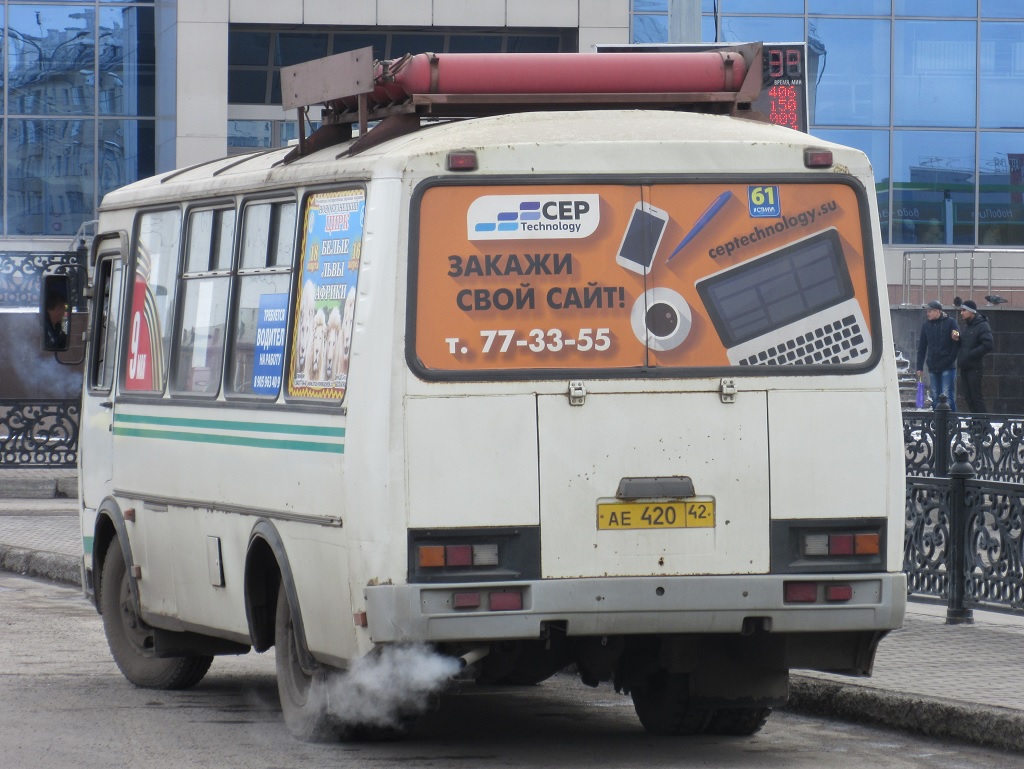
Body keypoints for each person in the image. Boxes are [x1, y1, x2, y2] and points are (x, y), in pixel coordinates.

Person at [915, 300, 959, 412]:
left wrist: (950, 358)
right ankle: (937, 422)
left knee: (947, 395)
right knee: (935, 396)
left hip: (947, 365)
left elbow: (957, 340)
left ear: (938, 311)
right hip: (933, 365)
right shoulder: (926, 326)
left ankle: (950, 422)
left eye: (930, 311)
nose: (927, 314)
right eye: (927, 311)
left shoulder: (950, 322)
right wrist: (919, 367)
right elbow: (922, 348)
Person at [955, 299, 993, 413]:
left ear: (972, 312)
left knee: (976, 398)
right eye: (961, 310)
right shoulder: (968, 326)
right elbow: (966, 344)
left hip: (975, 368)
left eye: (964, 310)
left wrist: (971, 354)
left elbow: (988, 345)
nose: (961, 313)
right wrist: (958, 340)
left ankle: (984, 426)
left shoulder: (982, 325)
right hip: (965, 367)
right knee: (968, 398)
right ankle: (976, 424)